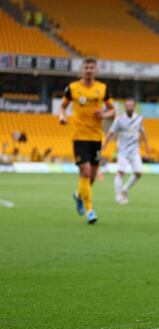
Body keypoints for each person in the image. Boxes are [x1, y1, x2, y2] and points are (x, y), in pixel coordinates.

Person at [59, 58, 115, 224]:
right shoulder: (73, 88)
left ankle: (78, 194)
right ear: (82, 69)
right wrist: (62, 116)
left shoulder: (102, 89)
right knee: (84, 170)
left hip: (96, 137)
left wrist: (103, 115)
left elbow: (112, 110)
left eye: (92, 67)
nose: (89, 70)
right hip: (79, 136)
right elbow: (63, 106)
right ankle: (90, 210)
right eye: (86, 67)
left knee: (91, 176)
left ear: (95, 70)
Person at [101, 98, 151, 205]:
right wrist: (104, 144)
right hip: (123, 150)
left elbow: (143, 132)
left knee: (138, 173)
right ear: (125, 107)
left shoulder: (139, 118)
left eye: (131, 106)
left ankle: (125, 189)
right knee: (121, 172)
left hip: (134, 150)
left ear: (134, 107)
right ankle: (118, 196)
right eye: (127, 106)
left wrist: (147, 146)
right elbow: (111, 132)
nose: (129, 107)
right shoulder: (119, 119)